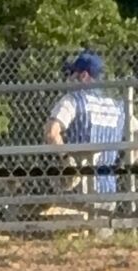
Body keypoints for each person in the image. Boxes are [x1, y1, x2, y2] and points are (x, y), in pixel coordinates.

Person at [44, 50, 124, 211]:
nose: (68, 79)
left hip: (79, 191)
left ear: (84, 76)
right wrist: (122, 165)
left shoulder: (73, 100)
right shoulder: (117, 106)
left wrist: (67, 159)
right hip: (108, 190)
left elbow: (51, 132)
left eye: (72, 73)